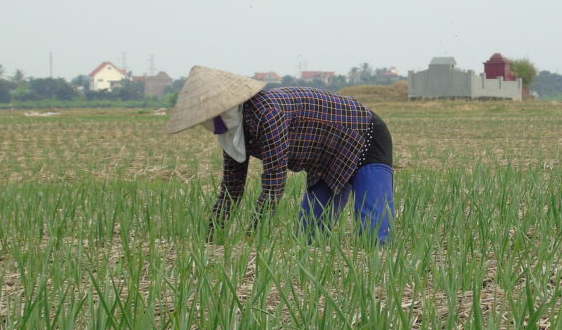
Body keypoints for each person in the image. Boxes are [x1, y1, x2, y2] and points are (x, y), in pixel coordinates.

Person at [167, 66, 395, 244]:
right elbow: (231, 190)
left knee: (374, 231)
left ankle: (379, 278)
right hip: (325, 156)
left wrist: (254, 234)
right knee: (309, 236)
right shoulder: (232, 132)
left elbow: (274, 184)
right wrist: (212, 235)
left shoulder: (267, 113)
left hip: (364, 134)